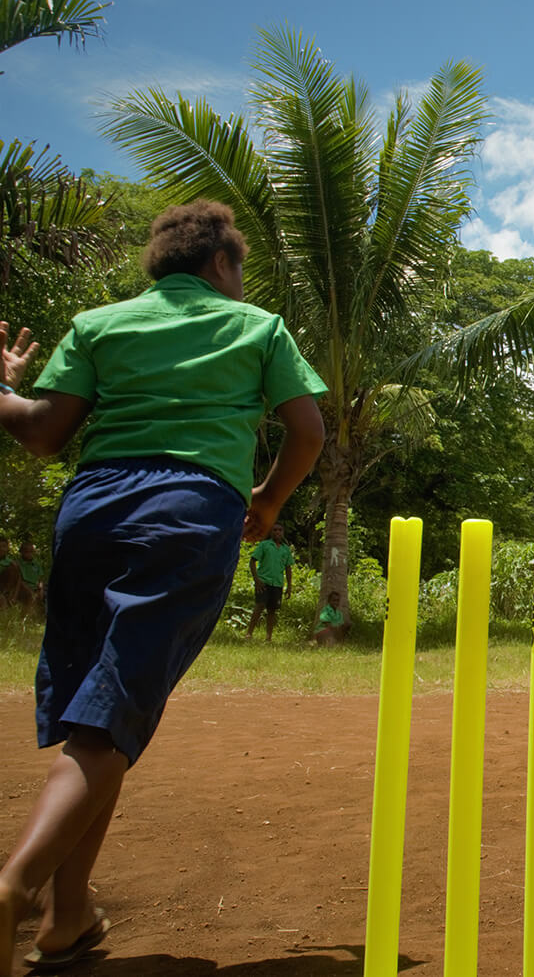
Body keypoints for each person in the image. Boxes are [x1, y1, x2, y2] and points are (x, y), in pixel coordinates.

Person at [0, 199, 326, 976]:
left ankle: (68, 915)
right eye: (239, 268)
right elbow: (307, 430)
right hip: (186, 512)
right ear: (220, 263)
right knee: (114, 716)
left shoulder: (100, 324)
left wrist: (5, 389)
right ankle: (15, 888)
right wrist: (270, 499)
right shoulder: (257, 329)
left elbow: (44, 432)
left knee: (100, 714)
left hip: (92, 511)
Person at [246, 523, 295, 642]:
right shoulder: (264, 545)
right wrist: (256, 580)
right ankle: (249, 634)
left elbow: (288, 568)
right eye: (274, 530)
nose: (277, 532)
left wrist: (289, 586)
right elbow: (252, 561)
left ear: (283, 533)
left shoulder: (285, 549)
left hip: (277, 583)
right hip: (263, 582)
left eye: (280, 530)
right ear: (271, 532)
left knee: (272, 610)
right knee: (259, 606)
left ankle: (268, 637)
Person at [0, 537, 19, 607]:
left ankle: (8, 596)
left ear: (7, 548)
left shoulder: (10, 562)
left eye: (4, 546)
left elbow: (18, 580)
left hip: (6, 588)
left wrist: (14, 595)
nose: (1, 549)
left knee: (13, 568)